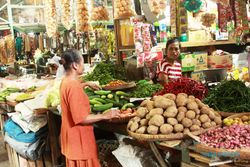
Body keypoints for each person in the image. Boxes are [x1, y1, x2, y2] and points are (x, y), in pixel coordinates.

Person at [60, 49, 121, 167]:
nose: (84, 66)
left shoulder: (66, 81)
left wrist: (86, 84)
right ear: (75, 65)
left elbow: (71, 91)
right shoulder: (73, 87)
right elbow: (82, 119)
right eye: (83, 62)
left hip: (71, 139)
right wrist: (104, 115)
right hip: (80, 141)